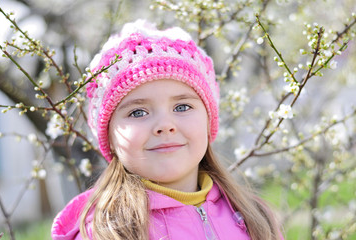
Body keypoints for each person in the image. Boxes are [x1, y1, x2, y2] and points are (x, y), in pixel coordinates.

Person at [51, 19, 283, 240]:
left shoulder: (255, 220)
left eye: (182, 107)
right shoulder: (105, 232)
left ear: (208, 119)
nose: (165, 125)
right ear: (109, 136)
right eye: (138, 112)